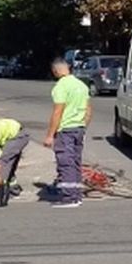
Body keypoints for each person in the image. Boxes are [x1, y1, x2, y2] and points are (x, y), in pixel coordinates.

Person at [44, 56, 91, 209]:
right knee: (76, 162)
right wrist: (83, 126)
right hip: (79, 128)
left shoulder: (61, 87)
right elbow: (89, 109)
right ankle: (76, 194)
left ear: (55, 71)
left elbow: (58, 112)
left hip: (66, 130)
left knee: (66, 163)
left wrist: (50, 135)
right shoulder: (81, 85)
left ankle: (70, 197)